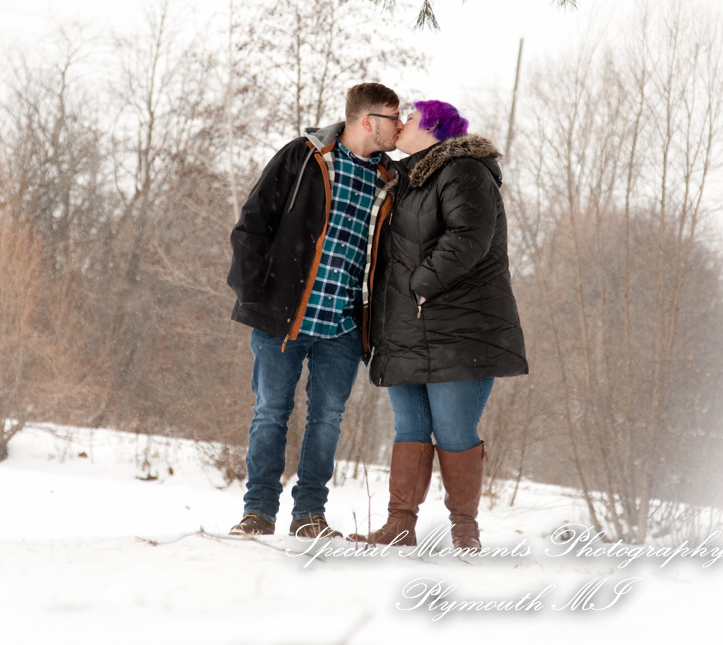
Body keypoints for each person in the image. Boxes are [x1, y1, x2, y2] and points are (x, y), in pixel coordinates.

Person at [226, 82, 403, 538]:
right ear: (368, 121)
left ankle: (309, 514)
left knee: (327, 420)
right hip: (284, 318)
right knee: (270, 412)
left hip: (344, 325)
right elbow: (253, 222)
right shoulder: (305, 156)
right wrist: (252, 292)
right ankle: (258, 512)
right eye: (393, 117)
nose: (400, 126)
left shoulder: (390, 180)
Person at [352, 99, 527, 552]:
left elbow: (469, 235)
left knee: (453, 431)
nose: (401, 124)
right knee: (410, 428)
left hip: (459, 330)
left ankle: (465, 531)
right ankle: (399, 525)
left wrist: (421, 284)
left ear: (433, 128)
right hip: (406, 326)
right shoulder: (407, 179)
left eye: (410, 118)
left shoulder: (463, 170)